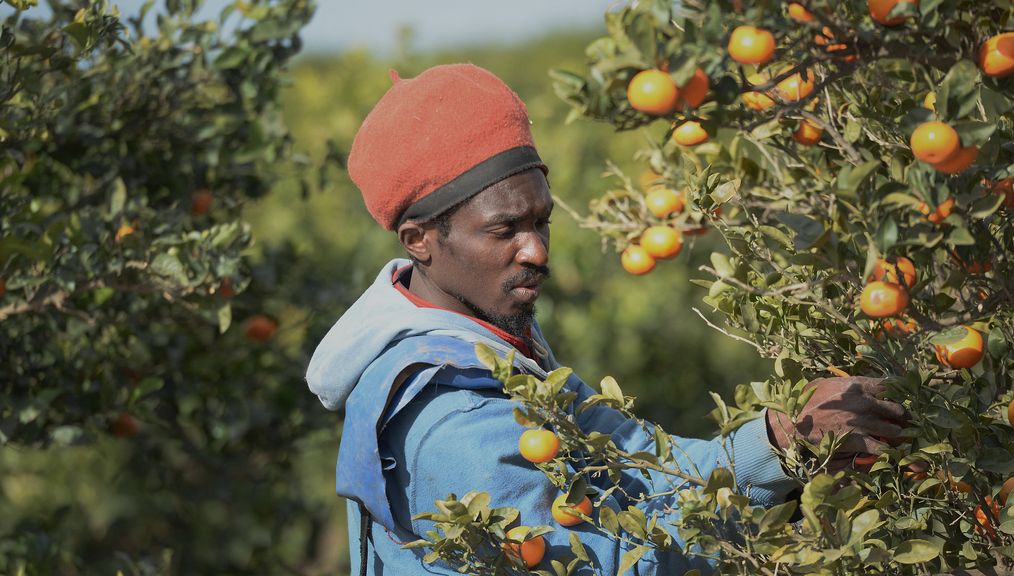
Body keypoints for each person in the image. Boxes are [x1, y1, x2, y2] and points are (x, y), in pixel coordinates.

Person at [306, 64, 908, 575]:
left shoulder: (490, 340)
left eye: (541, 221)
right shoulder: (454, 420)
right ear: (419, 240)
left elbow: (639, 465)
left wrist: (783, 442)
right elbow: (613, 560)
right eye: (504, 229)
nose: (536, 251)